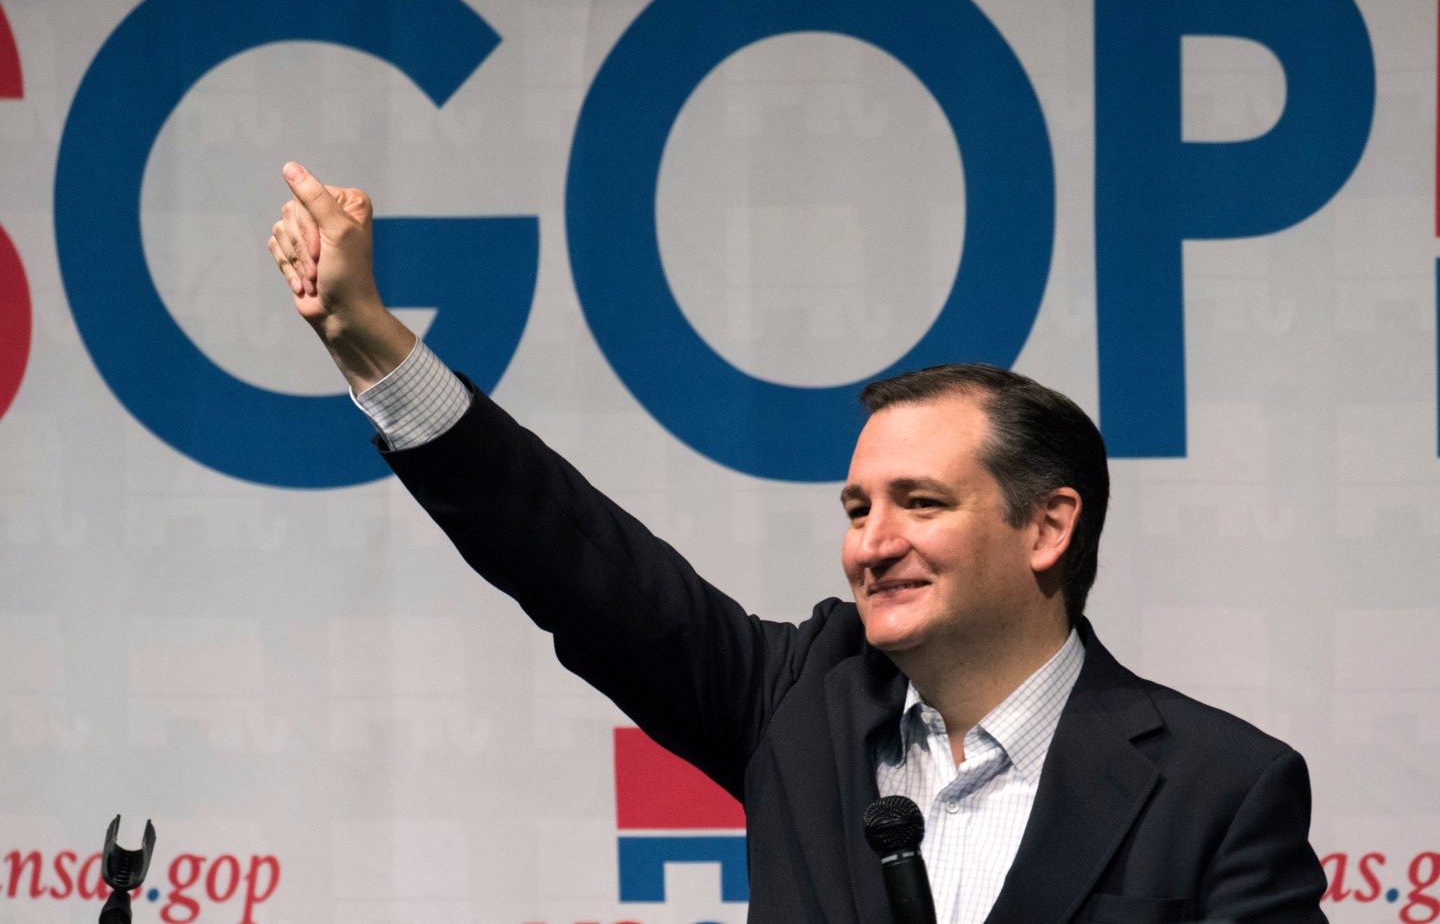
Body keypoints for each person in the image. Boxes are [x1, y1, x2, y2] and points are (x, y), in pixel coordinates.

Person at [267, 162, 1329, 924]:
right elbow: (575, 558)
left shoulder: (1219, 786)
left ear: (1048, 527)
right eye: (858, 508)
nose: (873, 542)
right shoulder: (798, 702)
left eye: (919, 501)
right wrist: (373, 343)